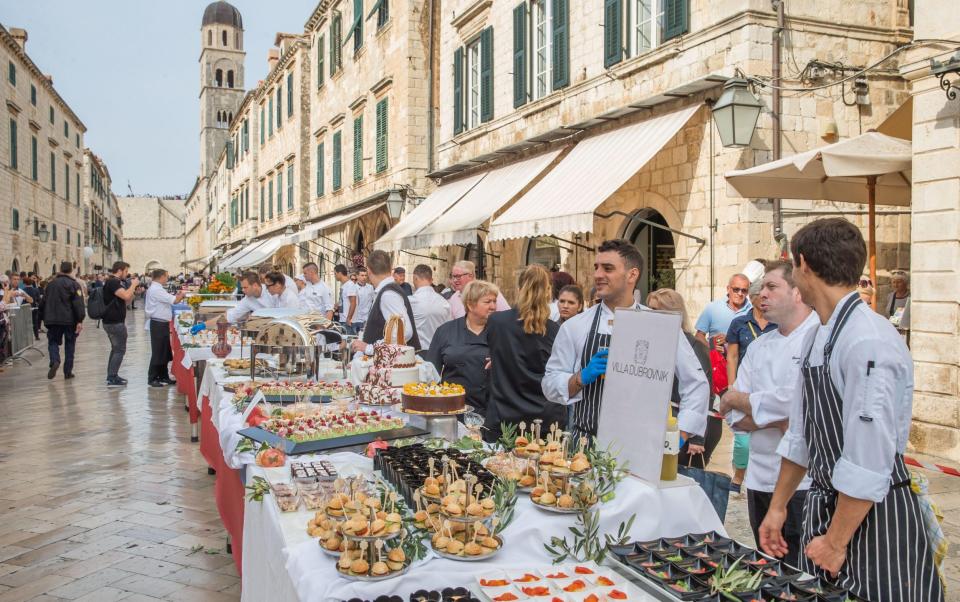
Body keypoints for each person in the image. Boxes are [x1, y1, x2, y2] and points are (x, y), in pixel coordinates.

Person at [759, 219, 942, 601]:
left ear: (804, 265)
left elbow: (869, 458)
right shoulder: (816, 336)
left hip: (874, 521)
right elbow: (801, 436)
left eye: (792, 266)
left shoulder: (868, 341)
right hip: (825, 511)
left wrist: (837, 541)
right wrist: (777, 508)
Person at [542, 239, 709, 442]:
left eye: (608, 268)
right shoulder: (575, 327)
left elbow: (696, 383)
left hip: (643, 449)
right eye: (596, 268)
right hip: (585, 449)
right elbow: (549, 384)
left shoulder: (661, 326)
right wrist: (579, 378)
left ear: (632, 274)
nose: (597, 275)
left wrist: (679, 435)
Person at [716, 261, 817, 568]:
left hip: (802, 482)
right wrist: (775, 417)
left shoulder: (816, 338)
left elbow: (797, 406)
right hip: (759, 475)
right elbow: (733, 416)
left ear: (797, 292)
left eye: (772, 288)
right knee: (767, 561)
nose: (762, 296)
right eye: (760, 290)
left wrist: (741, 399)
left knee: (799, 568)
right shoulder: (761, 347)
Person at [485, 266, 564, 440]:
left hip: (504, 417)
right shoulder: (554, 330)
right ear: (548, 292)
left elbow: (498, 349)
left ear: (519, 289)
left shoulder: (497, 322)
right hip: (544, 419)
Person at [646, 288, 720, 468]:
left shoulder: (694, 345)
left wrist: (697, 438)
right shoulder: (655, 341)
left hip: (691, 428)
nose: (651, 315)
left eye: (656, 311)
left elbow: (704, 391)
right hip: (669, 421)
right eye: (649, 310)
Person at [725, 279, 778, 492]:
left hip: (769, 384)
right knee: (742, 437)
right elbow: (732, 355)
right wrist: (731, 386)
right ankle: (738, 476)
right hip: (745, 383)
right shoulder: (739, 323)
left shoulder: (778, 323)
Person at [425, 280, 497, 417]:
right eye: (487, 302)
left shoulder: (502, 332)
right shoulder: (446, 331)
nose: (493, 306)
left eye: (494, 301)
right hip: (454, 409)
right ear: (470, 304)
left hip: (492, 411)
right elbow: (431, 372)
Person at [350, 250, 420, 354]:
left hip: (390, 366)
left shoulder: (388, 295)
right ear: (390, 268)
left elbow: (405, 332)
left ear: (368, 271)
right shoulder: (387, 291)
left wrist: (369, 348)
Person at [40, 262, 85, 380]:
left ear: (60, 269)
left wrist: (40, 318)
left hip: (53, 320)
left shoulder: (50, 285)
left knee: (53, 342)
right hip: (69, 320)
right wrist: (80, 320)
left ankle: (55, 360)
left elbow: (43, 302)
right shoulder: (74, 285)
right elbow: (78, 304)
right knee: (70, 345)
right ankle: (68, 372)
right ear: (71, 270)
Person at [145, 269, 186, 387]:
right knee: (158, 351)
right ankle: (152, 378)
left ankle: (163, 376)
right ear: (161, 277)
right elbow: (175, 300)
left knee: (164, 350)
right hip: (158, 323)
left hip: (161, 323)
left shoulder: (157, 288)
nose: (167, 279)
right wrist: (182, 295)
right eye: (166, 277)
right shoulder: (156, 289)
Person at [102, 261, 139, 387]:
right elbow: (125, 295)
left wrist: (135, 292)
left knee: (116, 349)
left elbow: (126, 301)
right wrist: (133, 285)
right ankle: (112, 378)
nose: (127, 274)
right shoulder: (113, 282)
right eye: (126, 271)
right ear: (120, 270)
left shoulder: (115, 282)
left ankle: (112, 375)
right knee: (119, 350)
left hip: (113, 321)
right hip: (114, 322)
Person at [694, 273, 752, 348]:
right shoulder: (713, 308)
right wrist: (711, 349)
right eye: (736, 289)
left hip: (742, 359)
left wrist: (730, 339)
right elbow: (699, 336)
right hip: (715, 359)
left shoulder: (752, 311)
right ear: (728, 289)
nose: (740, 293)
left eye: (744, 290)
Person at [409, 264, 450, 351]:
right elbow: (449, 329)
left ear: (415, 278)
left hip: (418, 353)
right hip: (439, 353)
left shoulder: (410, 302)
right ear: (431, 280)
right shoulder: (444, 302)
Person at [334, 264, 359, 330]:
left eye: (335, 273)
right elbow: (345, 301)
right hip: (343, 319)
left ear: (339, 273)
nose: (335, 276)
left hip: (348, 321)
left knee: (349, 339)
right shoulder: (344, 285)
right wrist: (338, 304)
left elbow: (353, 303)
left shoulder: (350, 285)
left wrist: (349, 318)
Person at [885, 269, 910, 333]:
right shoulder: (890, 296)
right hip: (892, 330)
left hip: (906, 331)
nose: (896, 285)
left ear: (905, 283)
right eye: (894, 282)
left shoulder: (910, 297)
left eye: (899, 282)